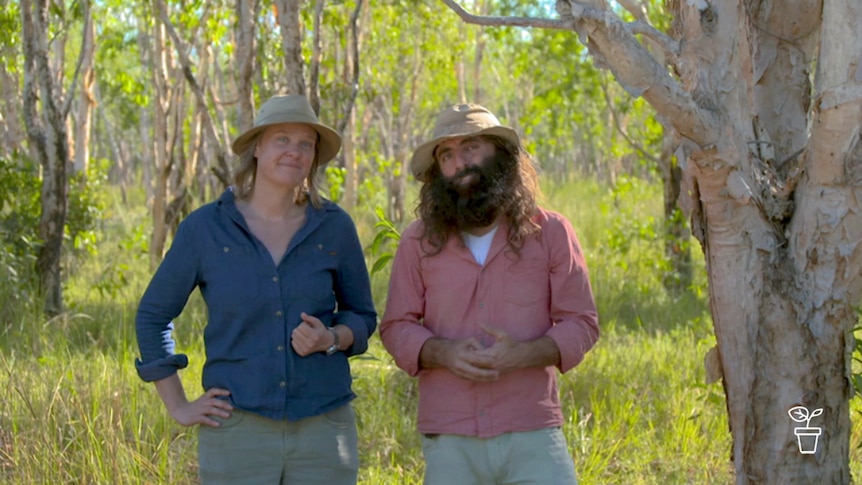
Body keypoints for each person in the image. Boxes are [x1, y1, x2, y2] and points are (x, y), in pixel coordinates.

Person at [135, 94, 377, 485]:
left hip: (324, 429)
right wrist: (178, 405)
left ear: (314, 157)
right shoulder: (205, 230)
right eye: (282, 139)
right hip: (236, 430)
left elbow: (363, 316)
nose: (294, 151)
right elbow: (153, 316)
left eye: (305, 144)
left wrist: (331, 337)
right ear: (257, 148)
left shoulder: (334, 227)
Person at [379, 104, 599, 485]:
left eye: (471, 147)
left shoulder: (550, 232)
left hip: (531, 426)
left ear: (500, 153)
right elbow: (396, 327)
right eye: (446, 155)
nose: (459, 163)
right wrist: (443, 352)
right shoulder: (417, 240)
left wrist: (524, 354)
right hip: (450, 435)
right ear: (436, 172)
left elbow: (582, 323)